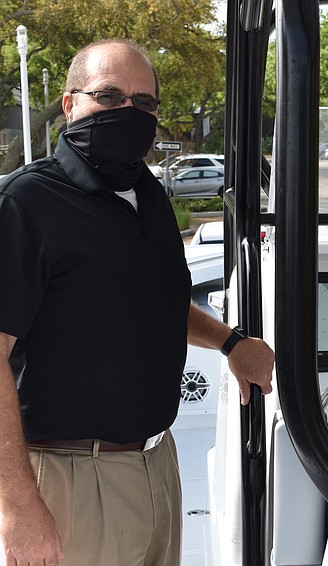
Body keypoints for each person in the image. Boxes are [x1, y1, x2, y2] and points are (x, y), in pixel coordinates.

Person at [0, 39, 275, 566]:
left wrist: (230, 341)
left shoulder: (147, 193)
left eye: (144, 103)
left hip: (156, 464)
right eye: (109, 97)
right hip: (67, 481)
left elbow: (155, 299)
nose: (129, 112)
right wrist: (17, 504)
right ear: (70, 104)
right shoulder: (26, 203)